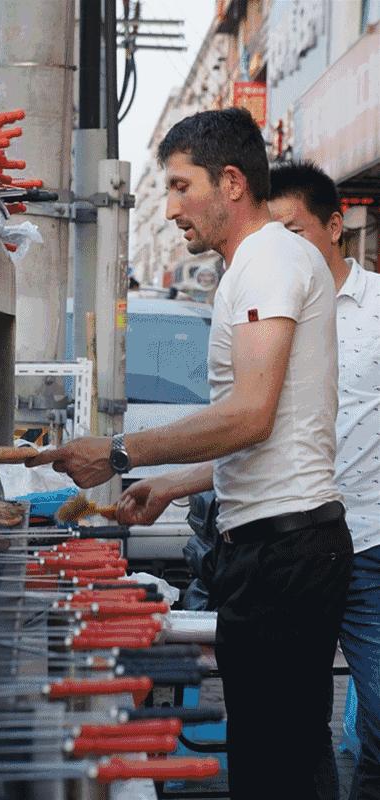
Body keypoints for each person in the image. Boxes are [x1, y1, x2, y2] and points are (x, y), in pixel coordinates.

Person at [29, 108, 353, 800]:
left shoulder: (265, 259)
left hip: (284, 554)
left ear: (231, 182)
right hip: (289, 542)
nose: (170, 209)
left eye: (181, 187)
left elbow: (250, 413)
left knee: (272, 767)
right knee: (292, 754)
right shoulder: (269, 262)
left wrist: (118, 453)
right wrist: (174, 483)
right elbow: (278, 431)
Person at [269, 160, 380, 800]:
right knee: (292, 726)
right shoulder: (266, 316)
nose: (284, 253)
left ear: (336, 225)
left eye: (297, 232)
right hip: (288, 548)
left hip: (369, 546)